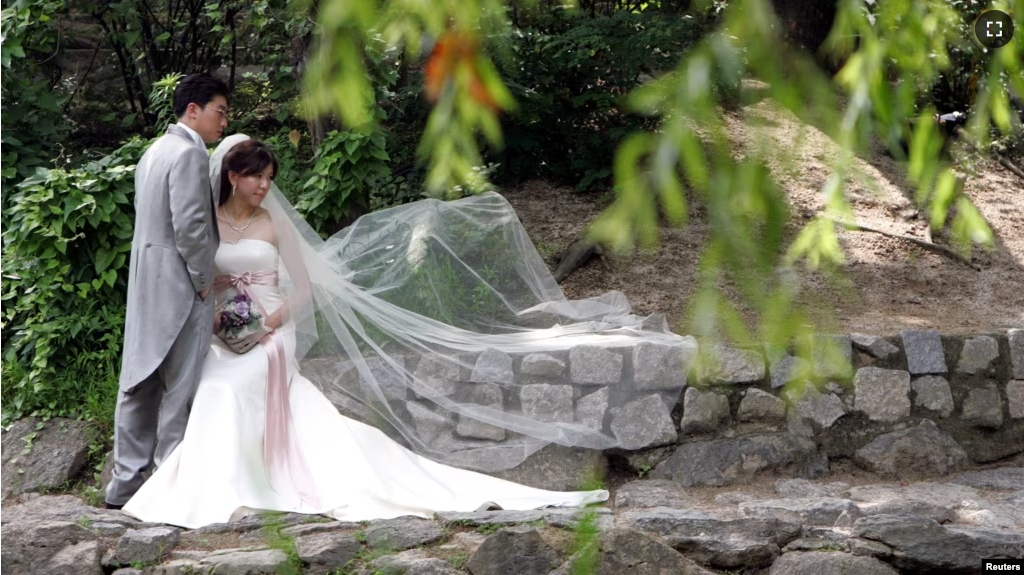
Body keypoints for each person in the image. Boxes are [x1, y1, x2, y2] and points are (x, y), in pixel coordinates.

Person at [121, 135, 694, 528]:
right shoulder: (212, 223)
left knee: (229, 386)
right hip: (227, 328)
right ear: (233, 176)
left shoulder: (274, 225)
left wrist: (268, 323)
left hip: (274, 327)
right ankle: (211, 480)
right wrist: (225, 316)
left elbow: (304, 289)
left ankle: (238, 486)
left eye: (270, 179)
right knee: (213, 380)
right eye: (256, 179)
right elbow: (209, 276)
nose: (265, 188)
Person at [105, 73, 230, 510]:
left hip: (145, 282)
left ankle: (125, 484)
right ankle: (168, 486)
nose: (224, 122)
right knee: (180, 386)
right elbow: (192, 228)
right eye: (220, 111)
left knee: (138, 381)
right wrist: (202, 283)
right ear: (192, 110)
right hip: (179, 285)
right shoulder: (190, 154)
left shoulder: (153, 151)